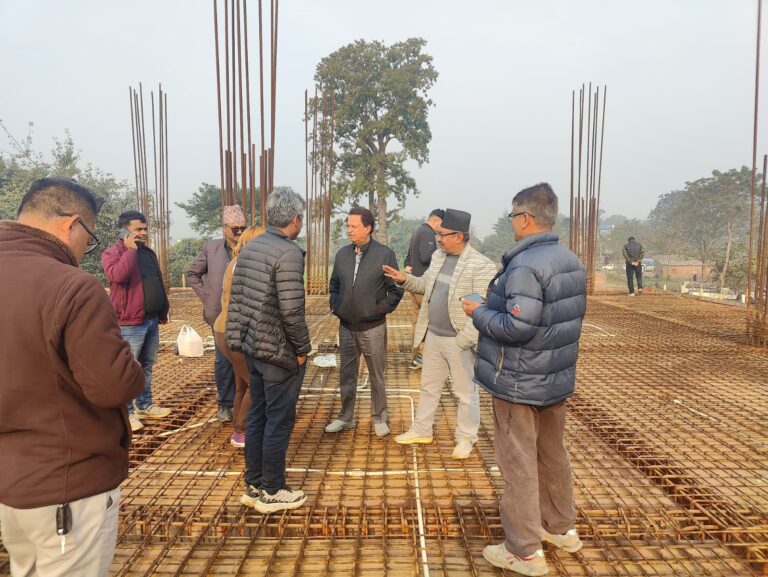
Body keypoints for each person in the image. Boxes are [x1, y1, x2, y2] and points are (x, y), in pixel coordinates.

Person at [0, 177, 145, 576]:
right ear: (72, 224)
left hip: (11, 484)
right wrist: (134, 368)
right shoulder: (72, 286)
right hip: (68, 487)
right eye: (90, 239)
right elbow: (113, 386)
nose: (85, 250)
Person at [462, 183, 586, 576]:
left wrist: (478, 312)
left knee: (517, 463)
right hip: (553, 379)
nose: (512, 222)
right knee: (552, 455)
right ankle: (560, 528)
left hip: (518, 381)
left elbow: (518, 326)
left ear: (526, 218)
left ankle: (524, 551)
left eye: (514, 215)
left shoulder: (525, 265)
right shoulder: (570, 260)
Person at [383, 209, 497, 459]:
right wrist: (404, 278)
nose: (439, 238)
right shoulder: (438, 257)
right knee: (429, 387)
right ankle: (422, 429)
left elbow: (483, 309)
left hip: (458, 339)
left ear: (459, 236)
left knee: (465, 392)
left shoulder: (481, 265)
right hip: (433, 335)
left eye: (444, 235)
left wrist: (465, 339)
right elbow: (424, 285)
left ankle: (466, 437)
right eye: (439, 234)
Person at [226, 189, 311, 513]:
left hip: (253, 348)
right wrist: (302, 349)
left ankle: (254, 483)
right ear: (295, 219)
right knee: (279, 420)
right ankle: (273, 491)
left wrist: (239, 340)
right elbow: (292, 311)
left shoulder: (250, 248)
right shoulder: (288, 253)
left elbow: (238, 301)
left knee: (259, 415)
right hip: (277, 353)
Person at [326, 207, 404, 437]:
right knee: (347, 374)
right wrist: (336, 306)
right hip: (346, 327)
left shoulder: (384, 255)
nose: (349, 230)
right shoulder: (342, 255)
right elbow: (334, 285)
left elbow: (395, 291)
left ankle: (379, 417)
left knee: (376, 375)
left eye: (354, 226)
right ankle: (345, 417)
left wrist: (378, 310)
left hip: (373, 327)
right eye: (348, 226)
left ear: (368, 228)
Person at [102, 210, 172, 432]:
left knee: (146, 366)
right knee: (127, 368)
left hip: (150, 320)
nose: (143, 233)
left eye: (145, 229)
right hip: (129, 323)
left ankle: (144, 406)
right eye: (138, 229)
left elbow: (156, 281)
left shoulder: (148, 253)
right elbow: (117, 276)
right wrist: (130, 251)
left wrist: (163, 310)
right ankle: (127, 413)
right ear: (124, 231)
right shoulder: (113, 253)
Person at [186, 205, 247, 422]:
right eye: (234, 228)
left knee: (246, 359)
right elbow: (192, 273)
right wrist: (208, 296)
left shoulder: (251, 247)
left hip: (245, 314)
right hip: (220, 314)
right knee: (223, 361)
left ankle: (245, 402)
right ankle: (225, 403)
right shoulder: (211, 248)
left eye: (242, 228)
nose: (239, 232)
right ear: (224, 228)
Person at [213, 225, 265, 448]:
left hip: (225, 328)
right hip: (235, 330)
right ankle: (241, 430)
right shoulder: (247, 265)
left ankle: (239, 426)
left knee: (241, 383)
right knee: (256, 384)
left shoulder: (236, 261)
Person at [404, 208, 444, 369]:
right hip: (423, 286)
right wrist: (443, 254)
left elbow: (408, 258)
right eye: (441, 225)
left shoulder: (417, 232)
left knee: (417, 321)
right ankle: (422, 355)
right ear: (435, 221)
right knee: (428, 321)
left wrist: (408, 266)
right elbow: (427, 256)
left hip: (414, 284)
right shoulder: (427, 233)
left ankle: (415, 356)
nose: (441, 230)